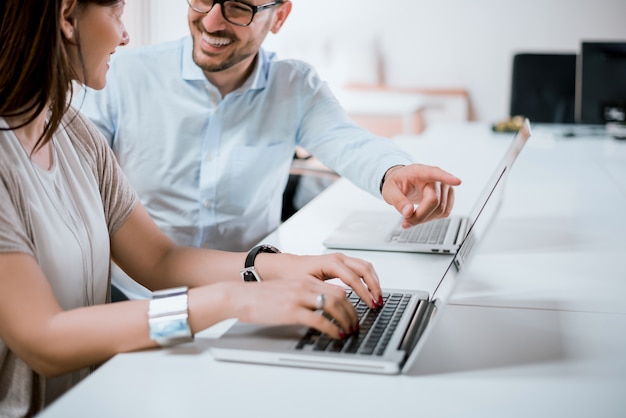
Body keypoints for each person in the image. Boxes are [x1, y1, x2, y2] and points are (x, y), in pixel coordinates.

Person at [0, 1, 387, 415]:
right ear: (67, 17)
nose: (125, 35)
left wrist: (274, 266)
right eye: (116, 14)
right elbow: (45, 340)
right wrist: (232, 300)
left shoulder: (74, 134)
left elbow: (160, 259)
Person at [76, 0, 462, 300]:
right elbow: (80, 185)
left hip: (254, 292)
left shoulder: (293, 86)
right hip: (139, 299)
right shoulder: (122, 76)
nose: (211, 22)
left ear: (279, 17)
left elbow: (349, 142)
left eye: (240, 8)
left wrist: (393, 172)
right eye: (202, 1)